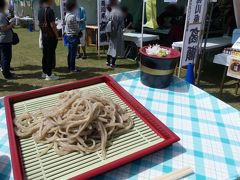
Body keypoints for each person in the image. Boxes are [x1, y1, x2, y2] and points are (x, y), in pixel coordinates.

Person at [38, 0, 59, 80]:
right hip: (50, 36)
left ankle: (44, 72)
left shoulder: (40, 10)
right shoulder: (50, 10)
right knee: (50, 55)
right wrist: (57, 35)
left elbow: (40, 23)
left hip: (44, 35)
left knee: (45, 54)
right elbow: (52, 25)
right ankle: (49, 74)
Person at [106, 0, 124, 68]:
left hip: (110, 31)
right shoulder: (119, 13)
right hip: (117, 32)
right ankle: (112, 63)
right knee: (115, 48)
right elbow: (122, 24)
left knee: (110, 47)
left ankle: (107, 61)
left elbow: (108, 22)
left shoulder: (110, 12)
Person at [0, 0, 15, 80]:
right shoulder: (1, 16)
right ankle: (7, 74)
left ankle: (6, 71)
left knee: (4, 57)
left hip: (4, 39)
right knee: (6, 57)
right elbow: (3, 28)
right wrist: (11, 24)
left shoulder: (2, 15)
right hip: (4, 40)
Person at [65, 0, 81, 73]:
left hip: (68, 35)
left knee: (70, 53)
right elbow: (76, 27)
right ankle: (72, 68)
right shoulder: (72, 16)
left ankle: (69, 66)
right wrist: (79, 32)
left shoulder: (67, 15)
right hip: (73, 36)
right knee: (73, 54)